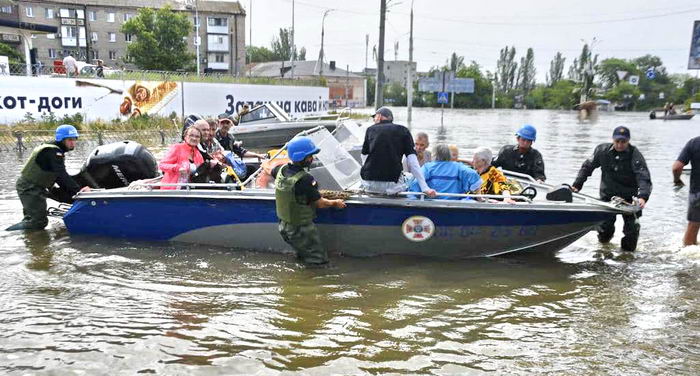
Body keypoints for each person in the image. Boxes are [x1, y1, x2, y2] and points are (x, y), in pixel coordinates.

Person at [572, 126, 652, 251]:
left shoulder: (634, 154)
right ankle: (603, 250)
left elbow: (643, 176)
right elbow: (587, 167)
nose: (620, 145)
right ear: (613, 140)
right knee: (605, 231)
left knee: (631, 232)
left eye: (623, 142)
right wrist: (577, 185)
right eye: (617, 141)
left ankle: (627, 258)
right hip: (608, 197)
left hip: (629, 198)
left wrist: (643, 196)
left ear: (628, 141)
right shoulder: (602, 151)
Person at [273, 137, 346, 267]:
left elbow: (269, 169)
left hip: (284, 226)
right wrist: (335, 202)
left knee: (302, 255)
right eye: (310, 156)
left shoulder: (281, 170)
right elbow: (320, 203)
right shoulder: (305, 179)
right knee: (318, 262)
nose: (312, 159)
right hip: (302, 229)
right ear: (302, 157)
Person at [7, 124, 91, 231]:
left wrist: (73, 194)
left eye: (75, 139)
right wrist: (79, 191)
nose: (73, 142)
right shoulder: (53, 152)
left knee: (32, 219)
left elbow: (58, 176)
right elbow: (61, 175)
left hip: (38, 186)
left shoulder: (52, 149)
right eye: (70, 139)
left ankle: (30, 238)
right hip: (30, 187)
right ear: (61, 139)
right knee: (38, 222)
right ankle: (6, 234)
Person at [360, 106, 436, 197]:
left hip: (369, 184)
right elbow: (412, 161)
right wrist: (425, 188)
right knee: (408, 177)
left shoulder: (370, 130)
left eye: (374, 117)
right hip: (393, 185)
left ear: (379, 116)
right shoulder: (403, 130)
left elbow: (364, 157)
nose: (374, 120)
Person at [407, 144, 481, 200]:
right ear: (449, 154)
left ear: (434, 155)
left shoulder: (428, 168)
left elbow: (415, 185)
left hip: (432, 207)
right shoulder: (458, 167)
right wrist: (479, 197)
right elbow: (474, 176)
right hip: (455, 205)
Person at [672, 136, 700, 245]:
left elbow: (676, 167)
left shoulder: (694, 143)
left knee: (693, 225)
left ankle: (687, 259)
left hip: (697, 193)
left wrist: (677, 180)